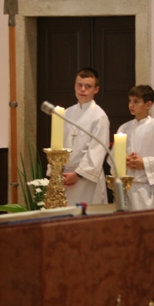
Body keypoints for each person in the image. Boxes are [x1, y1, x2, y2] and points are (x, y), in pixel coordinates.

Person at [112, 85, 154, 210]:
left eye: (136, 101)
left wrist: (144, 163)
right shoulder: (124, 128)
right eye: (130, 101)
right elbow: (113, 155)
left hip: (144, 187)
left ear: (148, 104)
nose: (131, 105)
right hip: (124, 187)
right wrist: (123, 159)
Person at [61, 67, 110, 205]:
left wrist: (77, 175)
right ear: (74, 86)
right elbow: (59, 143)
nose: (82, 90)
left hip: (86, 179)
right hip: (65, 177)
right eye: (79, 85)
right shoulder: (66, 113)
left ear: (96, 89)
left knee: (87, 215)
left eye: (88, 86)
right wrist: (57, 171)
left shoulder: (99, 116)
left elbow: (97, 151)